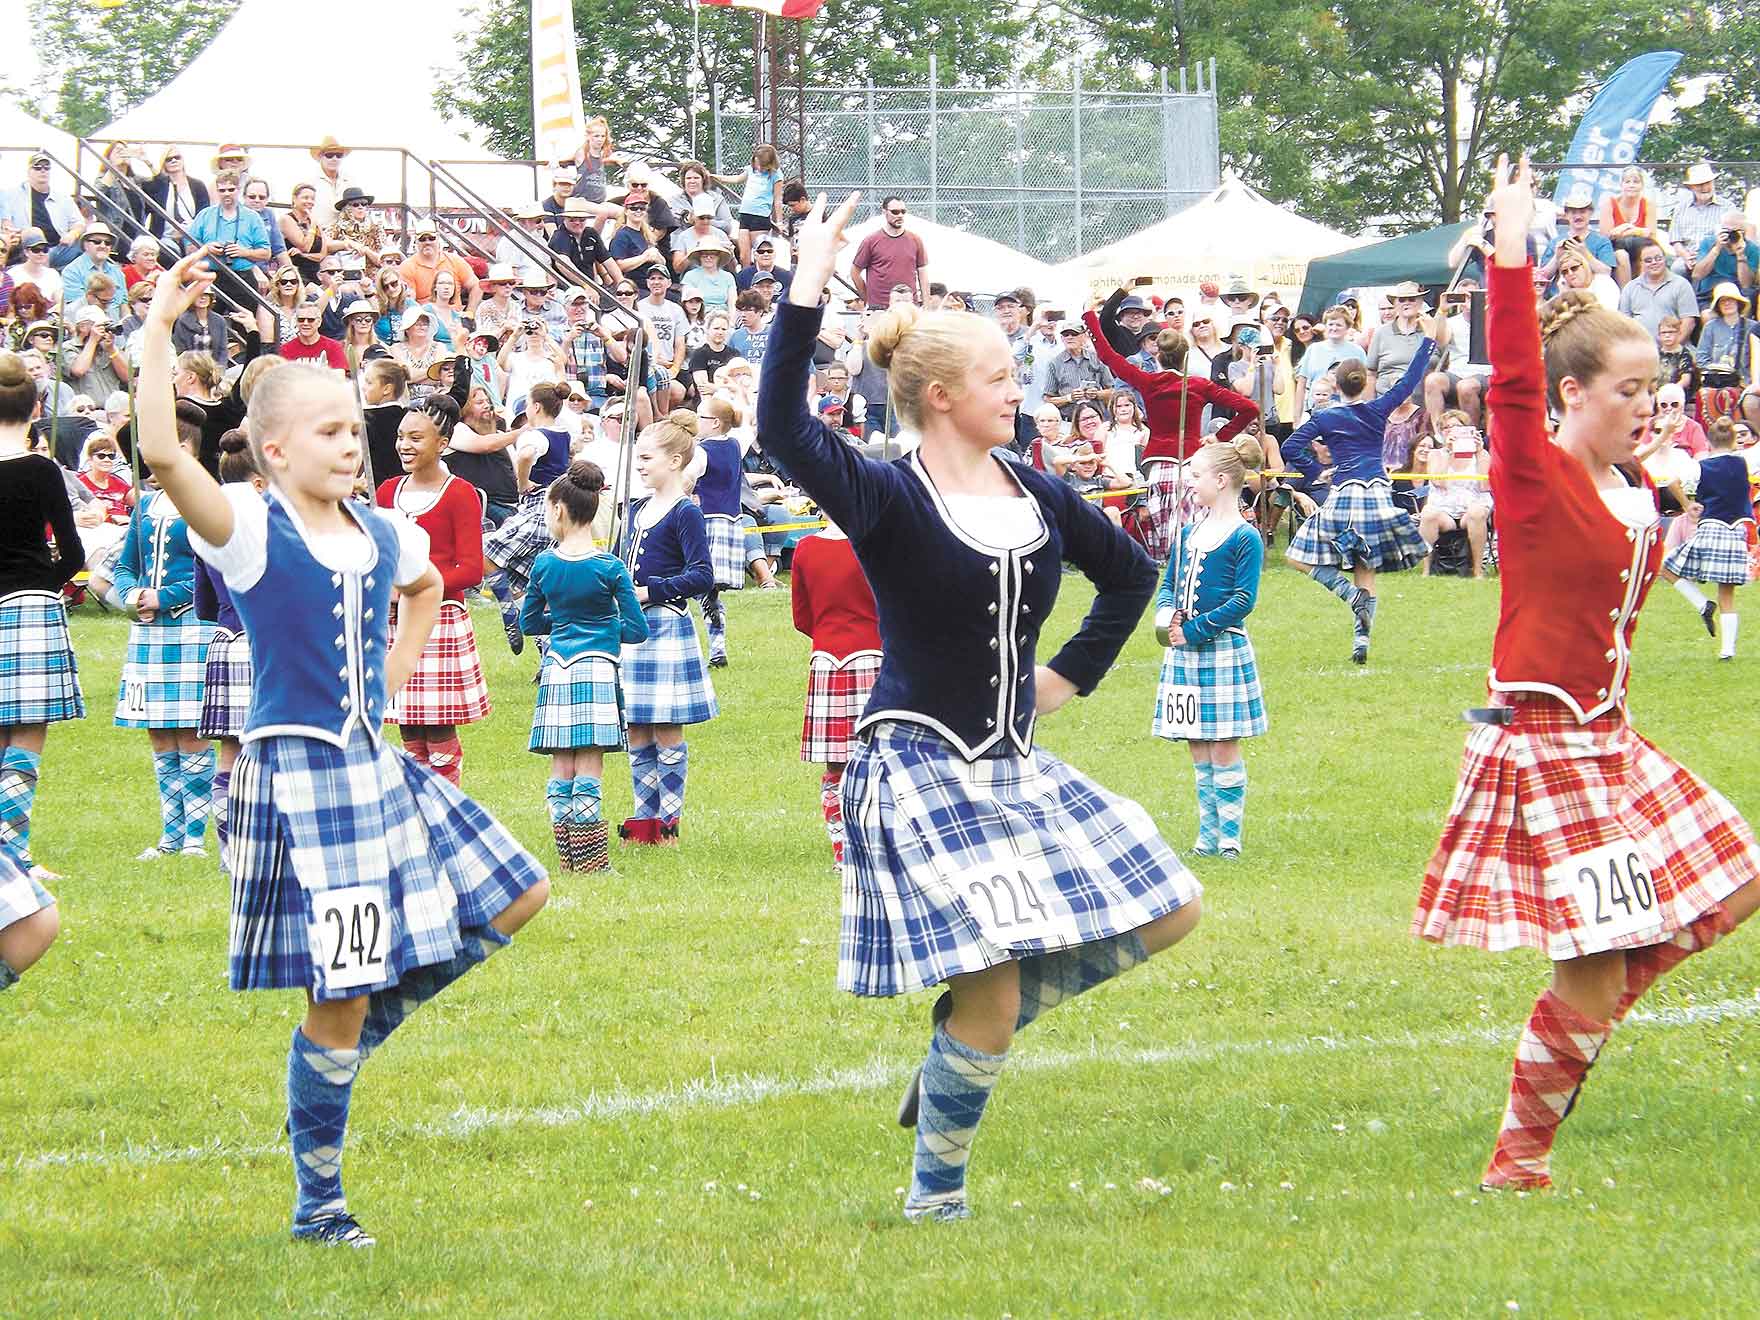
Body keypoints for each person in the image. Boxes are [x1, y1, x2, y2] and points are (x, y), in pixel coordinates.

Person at [762, 194, 1202, 1224]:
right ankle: (935, 1199)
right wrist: (803, 286)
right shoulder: (884, 492)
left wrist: (1067, 677)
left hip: (1014, 764)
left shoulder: (1037, 492)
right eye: (1002, 378)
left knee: (1173, 907)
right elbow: (781, 424)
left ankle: (962, 1039)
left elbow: (1132, 577)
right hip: (915, 762)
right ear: (945, 393)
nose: (1020, 391)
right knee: (995, 989)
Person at [135, 247, 548, 1248]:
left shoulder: (378, 530)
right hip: (301, 781)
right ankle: (319, 1204)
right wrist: (154, 333)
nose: (349, 446)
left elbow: (428, 590)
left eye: (351, 430)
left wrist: (400, 677)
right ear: (274, 452)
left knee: (519, 892)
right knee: (340, 986)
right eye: (326, 432)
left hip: (375, 767)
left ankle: (345, 1052)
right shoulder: (244, 529)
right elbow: (161, 454)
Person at [1413, 155, 1760, 1193]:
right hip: (1551, 744)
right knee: (1590, 964)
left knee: (1735, 881)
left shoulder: (1631, 486)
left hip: (1612, 738)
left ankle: (1585, 1019)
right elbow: (1510, 381)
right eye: (1629, 389)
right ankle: (1515, 1165)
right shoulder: (1534, 472)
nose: (1650, 404)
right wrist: (1512, 249)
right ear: (1572, 394)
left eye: (1655, 386)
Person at [1285, 315, 1445, 663]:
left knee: (1295, 555)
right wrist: (1428, 343)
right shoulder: (1378, 410)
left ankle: (1346, 593)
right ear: (1363, 384)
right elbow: (1408, 382)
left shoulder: (1325, 416)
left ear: (1338, 385)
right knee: (1365, 566)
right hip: (1376, 493)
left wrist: (1319, 470)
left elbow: (1290, 448)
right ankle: (1361, 641)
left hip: (1345, 491)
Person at [520, 460, 648, 872]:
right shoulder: (609, 566)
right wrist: (606, 628)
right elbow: (637, 629)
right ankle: (592, 861)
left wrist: (560, 625)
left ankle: (567, 859)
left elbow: (529, 623)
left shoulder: (544, 564)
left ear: (558, 509)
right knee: (590, 761)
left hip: (557, 667)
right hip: (596, 667)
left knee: (562, 763)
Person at [1150, 438, 1268, 859]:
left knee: (1222, 743)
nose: (1190, 483)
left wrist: (1195, 630)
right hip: (1182, 653)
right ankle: (1207, 835)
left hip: (1221, 650)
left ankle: (1231, 838)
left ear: (1220, 480)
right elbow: (1168, 585)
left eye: (1196, 476)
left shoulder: (1246, 536)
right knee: (1196, 742)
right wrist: (1167, 618)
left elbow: (1243, 600)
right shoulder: (1188, 531)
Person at [112, 399, 215, 858]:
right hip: (149, 633)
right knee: (158, 732)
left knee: (191, 732)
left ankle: (194, 836)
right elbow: (124, 565)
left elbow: (209, 567)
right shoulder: (145, 505)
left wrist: (167, 596)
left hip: (192, 627)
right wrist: (133, 595)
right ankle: (169, 835)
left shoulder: (205, 499)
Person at [1084, 290, 1258, 562]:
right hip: (1192, 461)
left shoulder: (1149, 382)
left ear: (1159, 358)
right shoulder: (1200, 385)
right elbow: (1250, 408)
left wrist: (1089, 317)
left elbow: (1107, 355)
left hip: (1158, 463)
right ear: (1185, 357)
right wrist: (1218, 437)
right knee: (1192, 521)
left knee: (1161, 522)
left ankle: (1165, 561)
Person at [0, 350, 85, 884]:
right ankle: (14, 855)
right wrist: (45, 582)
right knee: (26, 735)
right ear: (35, 409)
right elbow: (73, 553)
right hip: (31, 604)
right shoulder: (42, 469)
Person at [376, 396, 492, 787]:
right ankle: (417, 812)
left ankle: (445, 807)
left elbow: (471, 568)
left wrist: (414, 586)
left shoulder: (460, 493)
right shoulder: (387, 492)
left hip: (439, 620)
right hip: (395, 622)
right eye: (399, 436)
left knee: (438, 726)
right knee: (409, 727)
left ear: (442, 444)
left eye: (415, 437)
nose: (404, 445)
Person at [619, 413, 717, 845]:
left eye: (646, 457)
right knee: (637, 727)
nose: (638, 465)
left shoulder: (684, 513)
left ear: (675, 461)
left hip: (665, 625)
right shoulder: (637, 510)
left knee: (666, 729)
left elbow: (702, 576)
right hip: (632, 631)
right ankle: (644, 821)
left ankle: (669, 823)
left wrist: (649, 591)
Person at [789, 519, 882, 868]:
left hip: (827, 659)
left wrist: (830, 633)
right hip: (874, 654)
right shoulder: (875, 541)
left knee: (835, 765)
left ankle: (842, 849)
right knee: (877, 759)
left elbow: (802, 617)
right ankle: (873, 843)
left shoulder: (806, 548)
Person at [193, 432, 267, 857]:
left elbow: (203, 600)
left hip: (224, 636)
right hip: (266, 639)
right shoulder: (272, 515)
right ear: (259, 479)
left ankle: (229, 851)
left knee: (230, 753)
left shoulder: (206, 516)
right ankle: (263, 846)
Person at [1662, 417, 1751, 659]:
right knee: (1727, 594)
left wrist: (1688, 504)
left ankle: (1702, 604)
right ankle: (1727, 650)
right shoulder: (1745, 462)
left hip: (1710, 527)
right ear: (1733, 440)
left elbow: (1671, 481)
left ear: (1709, 441)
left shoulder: (1701, 465)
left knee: (1667, 568)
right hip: (1737, 530)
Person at [1416, 412, 1493, 577]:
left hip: (1473, 504)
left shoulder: (1483, 455)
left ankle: (1478, 571)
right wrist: (1447, 453)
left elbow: (1485, 485)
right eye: (1446, 428)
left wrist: (1479, 454)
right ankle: (1426, 570)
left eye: (1456, 427)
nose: (1451, 431)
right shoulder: (1436, 454)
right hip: (1444, 509)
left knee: (1477, 512)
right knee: (1428, 513)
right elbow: (1439, 482)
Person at [849, 196, 926, 309]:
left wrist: (926, 304)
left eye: (903, 212)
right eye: (895, 212)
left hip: (908, 307)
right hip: (879, 308)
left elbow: (922, 272)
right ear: (884, 212)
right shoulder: (871, 241)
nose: (900, 215)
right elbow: (854, 272)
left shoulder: (915, 239)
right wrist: (868, 299)